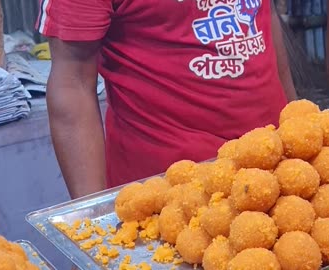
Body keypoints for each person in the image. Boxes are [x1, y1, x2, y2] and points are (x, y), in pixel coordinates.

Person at [36, 0, 297, 199]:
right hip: (172, 195)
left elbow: (266, 15)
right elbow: (74, 84)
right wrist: (89, 228)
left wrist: (296, 127)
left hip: (275, 169)